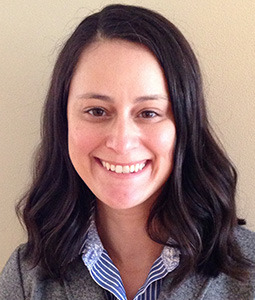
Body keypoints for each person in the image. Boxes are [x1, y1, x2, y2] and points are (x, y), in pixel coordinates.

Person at [0, 4, 254, 300]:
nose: (121, 142)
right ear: (63, 121)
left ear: (185, 126)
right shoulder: (25, 276)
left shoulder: (248, 273)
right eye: (96, 111)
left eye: (148, 113)